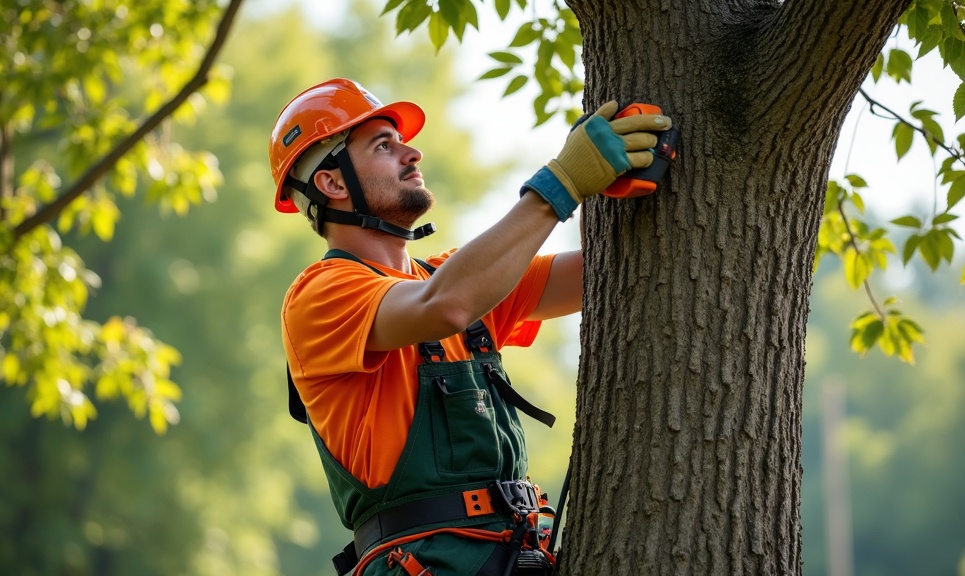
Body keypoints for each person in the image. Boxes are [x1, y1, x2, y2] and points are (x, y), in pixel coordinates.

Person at [269, 78, 672, 576]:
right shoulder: (321, 294)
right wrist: (562, 182)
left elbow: (598, 275)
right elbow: (446, 307)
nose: (411, 153)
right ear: (332, 183)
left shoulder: (452, 276)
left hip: (515, 554)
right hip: (424, 564)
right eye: (384, 146)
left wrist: (602, 182)